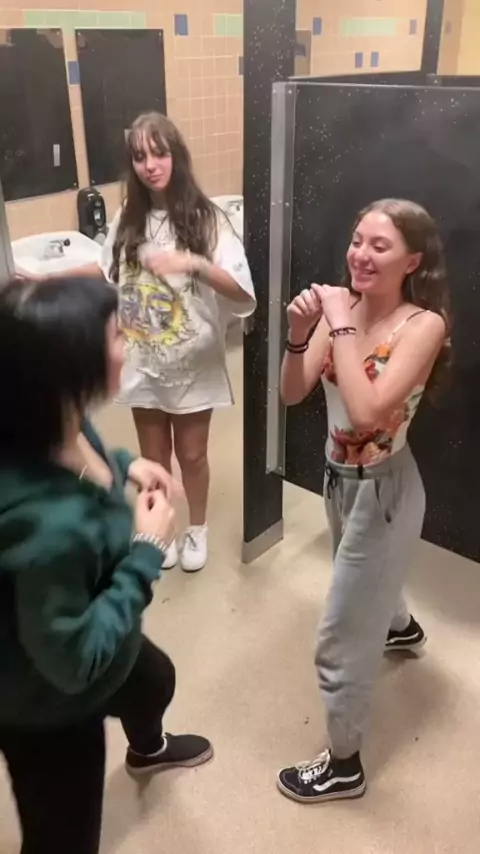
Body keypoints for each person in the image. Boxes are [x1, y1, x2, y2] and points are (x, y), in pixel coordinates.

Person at [0, 275, 213, 854]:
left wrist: (123, 464)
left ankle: (147, 748)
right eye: (118, 335)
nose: (129, 342)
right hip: (45, 706)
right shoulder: (48, 529)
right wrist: (145, 552)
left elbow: (84, 457)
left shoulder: (53, 417)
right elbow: (72, 664)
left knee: (154, 680)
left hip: (94, 621)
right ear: (72, 369)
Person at [277, 198, 451, 804]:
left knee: (341, 634)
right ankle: (400, 628)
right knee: (366, 588)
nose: (361, 254)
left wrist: (339, 324)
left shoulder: (422, 325)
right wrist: (299, 335)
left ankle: (344, 765)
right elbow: (292, 393)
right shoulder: (341, 310)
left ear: (412, 261)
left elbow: (369, 411)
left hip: (386, 492)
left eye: (380, 246)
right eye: (357, 240)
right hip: (338, 480)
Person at [49, 111, 256, 573]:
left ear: (176, 155)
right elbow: (104, 270)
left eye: (159, 153)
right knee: (153, 457)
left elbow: (244, 293)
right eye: (140, 157)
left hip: (192, 362)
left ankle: (197, 527)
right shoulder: (129, 217)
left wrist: (193, 263)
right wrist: (45, 279)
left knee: (192, 455)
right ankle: (160, 528)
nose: (150, 165)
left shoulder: (209, 219)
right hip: (142, 359)